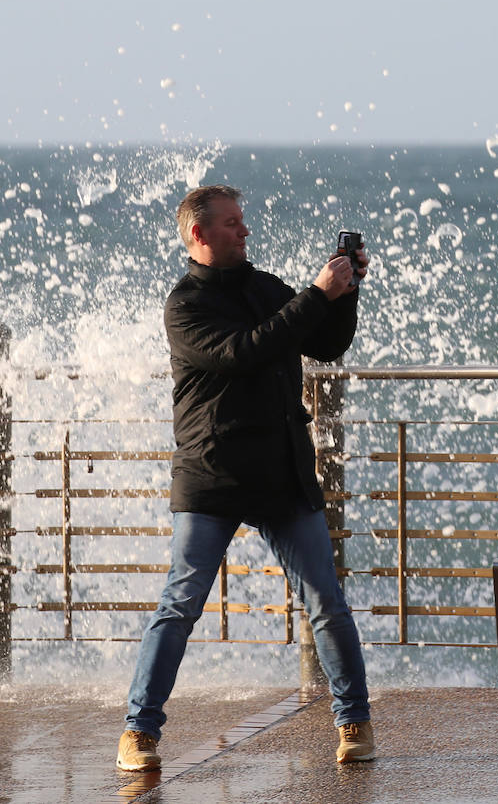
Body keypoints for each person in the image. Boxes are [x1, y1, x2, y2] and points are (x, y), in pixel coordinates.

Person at [116, 184, 375, 772]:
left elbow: (326, 342)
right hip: (212, 473)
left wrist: (346, 291)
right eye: (232, 224)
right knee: (180, 604)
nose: (245, 231)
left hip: (281, 470)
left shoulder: (264, 286)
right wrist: (315, 293)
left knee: (327, 603)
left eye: (243, 221)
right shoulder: (185, 306)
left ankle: (354, 721)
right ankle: (139, 730)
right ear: (198, 234)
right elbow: (245, 350)